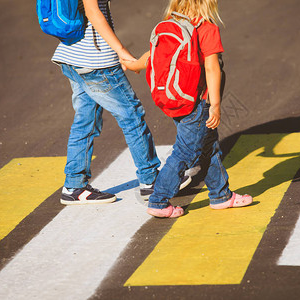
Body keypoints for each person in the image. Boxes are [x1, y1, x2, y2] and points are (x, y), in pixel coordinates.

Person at [123, 0, 253, 218]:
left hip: (176, 98)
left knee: (208, 146)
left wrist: (135, 65)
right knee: (185, 152)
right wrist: (216, 105)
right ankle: (158, 200)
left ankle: (221, 195)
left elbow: (152, 55)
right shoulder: (206, 28)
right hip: (198, 102)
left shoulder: (170, 24)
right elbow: (212, 68)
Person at [52, 0, 163, 205]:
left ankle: (74, 186)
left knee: (86, 120)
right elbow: (93, 11)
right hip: (97, 61)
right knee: (132, 115)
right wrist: (121, 50)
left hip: (72, 56)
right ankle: (151, 181)